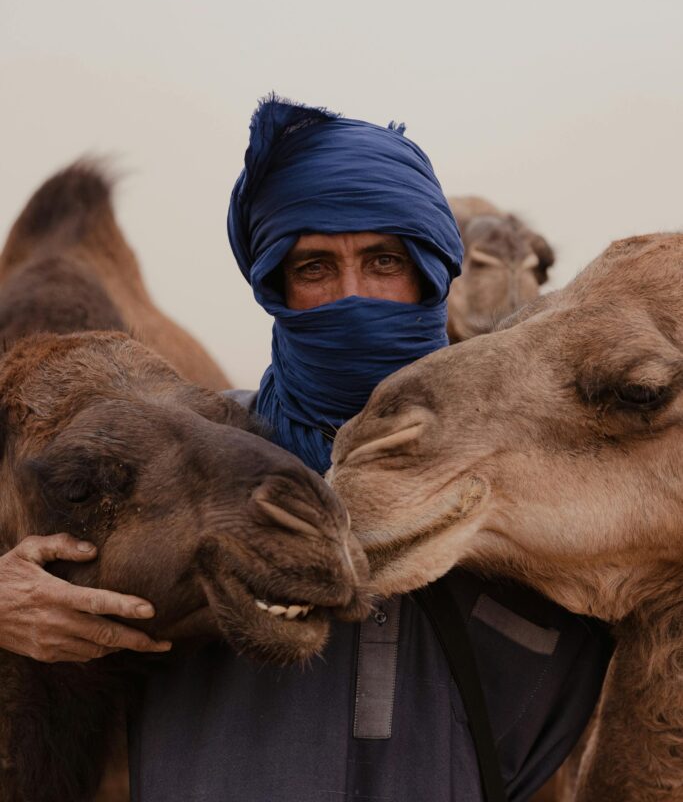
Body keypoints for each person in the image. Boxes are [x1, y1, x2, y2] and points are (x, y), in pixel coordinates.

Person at [124, 96, 611, 802]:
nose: (353, 296)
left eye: (383, 261)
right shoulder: (183, 458)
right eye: (315, 267)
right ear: (275, 285)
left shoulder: (526, 471)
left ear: (428, 275)